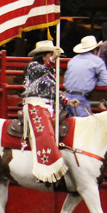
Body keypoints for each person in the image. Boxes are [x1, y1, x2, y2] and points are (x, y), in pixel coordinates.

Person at [22, 40, 79, 183]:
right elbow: (40, 72)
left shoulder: (51, 70)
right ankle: (46, 171)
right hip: (35, 104)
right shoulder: (33, 66)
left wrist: (67, 101)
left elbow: (54, 91)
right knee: (45, 133)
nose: (53, 58)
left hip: (49, 106)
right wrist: (53, 59)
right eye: (50, 55)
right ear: (44, 56)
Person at [64, 35, 107, 117]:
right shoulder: (97, 61)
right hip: (80, 98)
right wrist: (93, 83)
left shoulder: (73, 60)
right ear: (95, 50)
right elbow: (105, 81)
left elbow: (66, 80)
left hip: (66, 97)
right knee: (86, 125)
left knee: (68, 125)